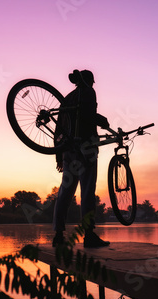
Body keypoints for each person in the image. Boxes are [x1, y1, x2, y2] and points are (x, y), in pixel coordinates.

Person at [52, 69, 110, 248]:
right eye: (92, 82)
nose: (93, 85)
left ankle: (58, 236)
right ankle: (89, 235)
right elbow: (87, 115)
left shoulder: (68, 97)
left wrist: (58, 157)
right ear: (90, 81)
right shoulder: (89, 92)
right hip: (86, 149)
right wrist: (102, 120)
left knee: (65, 193)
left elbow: (58, 128)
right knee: (87, 193)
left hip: (68, 151)